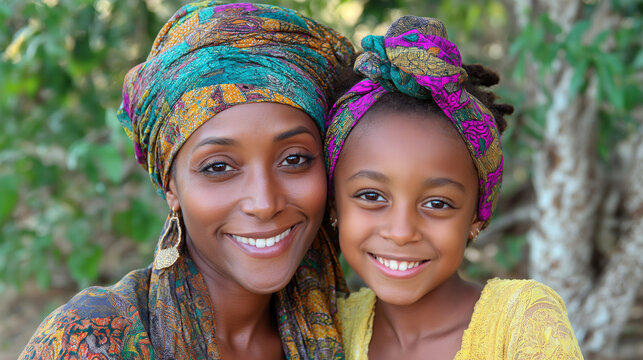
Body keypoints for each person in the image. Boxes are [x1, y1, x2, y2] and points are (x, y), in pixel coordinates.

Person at [20, 2, 354, 359]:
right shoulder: (90, 338)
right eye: (218, 167)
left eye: (294, 159)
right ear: (171, 187)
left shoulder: (357, 332)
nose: (264, 202)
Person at [324, 16, 583, 359]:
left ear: (477, 216)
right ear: (334, 206)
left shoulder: (522, 323)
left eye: (437, 203)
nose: (401, 232)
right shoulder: (330, 331)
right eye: (371, 196)